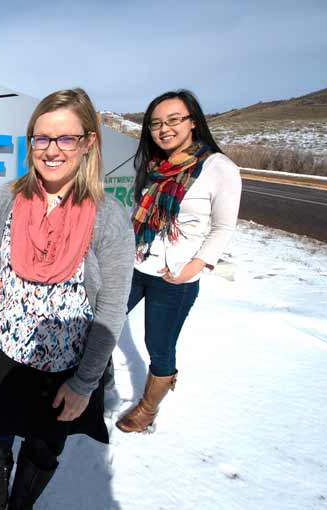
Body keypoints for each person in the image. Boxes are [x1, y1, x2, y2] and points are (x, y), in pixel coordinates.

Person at [0, 89, 134, 509]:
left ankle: (20, 504)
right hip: (2, 350)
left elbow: (111, 309)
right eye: (41, 138)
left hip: (65, 367)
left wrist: (84, 384)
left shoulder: (107, 215)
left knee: (43, 448)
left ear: (88, 143)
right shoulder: (9, 196)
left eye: (65, 138)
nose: (52, 150)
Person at [116, 90, 242, 433]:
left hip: (174, 277)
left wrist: (194, 267)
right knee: (102, 325)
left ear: (193, 122)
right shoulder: (155, 165)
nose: (164, 129)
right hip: (135, 265)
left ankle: (147, 408)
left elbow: (223, 227)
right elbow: (139, 213)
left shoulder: (219, 168)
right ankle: (97, 384)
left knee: (159, 345)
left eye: (174, 120)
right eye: (156, 123)